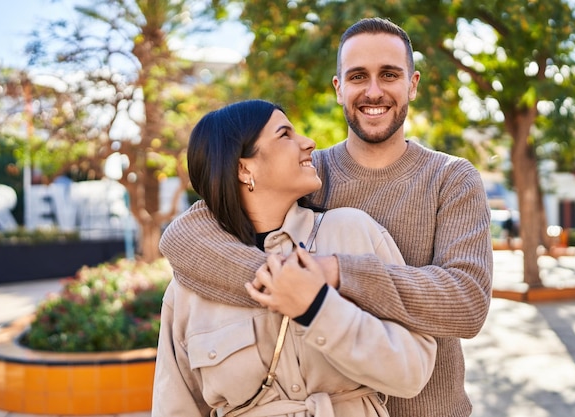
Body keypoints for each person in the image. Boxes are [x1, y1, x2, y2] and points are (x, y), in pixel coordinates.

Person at [159, 17, 493, 417]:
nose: (373, 91)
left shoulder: (451, 178)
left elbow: (468, 303)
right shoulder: (306, 174)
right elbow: (186, 235)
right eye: (357, 76)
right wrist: (281, 279)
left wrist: (334, 272)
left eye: (389, 75)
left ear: (413, 84)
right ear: (339, 88)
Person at [152, 99, 437, 417]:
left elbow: (413, 373)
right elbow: (175, 407)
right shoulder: (188, 289)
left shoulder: (351, 233)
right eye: (285, 134)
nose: (309, 142)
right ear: (245, 167)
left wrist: (318, 308)